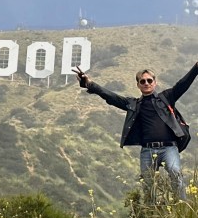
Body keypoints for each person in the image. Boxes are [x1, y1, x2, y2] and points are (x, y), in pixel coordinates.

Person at [72, 63, 198, 204]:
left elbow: (183, 84)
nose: (146, 83)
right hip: (147, 150)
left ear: (155, 83)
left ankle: (181, 206)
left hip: (169, 148)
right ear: (138, 85)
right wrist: (89, 84)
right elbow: (111, 97)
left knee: (175, 172)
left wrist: (196, 67)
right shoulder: (133, 104)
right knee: (148, 184)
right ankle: (152, 215)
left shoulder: (167, 97)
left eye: (149, 80)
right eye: (142, 81)